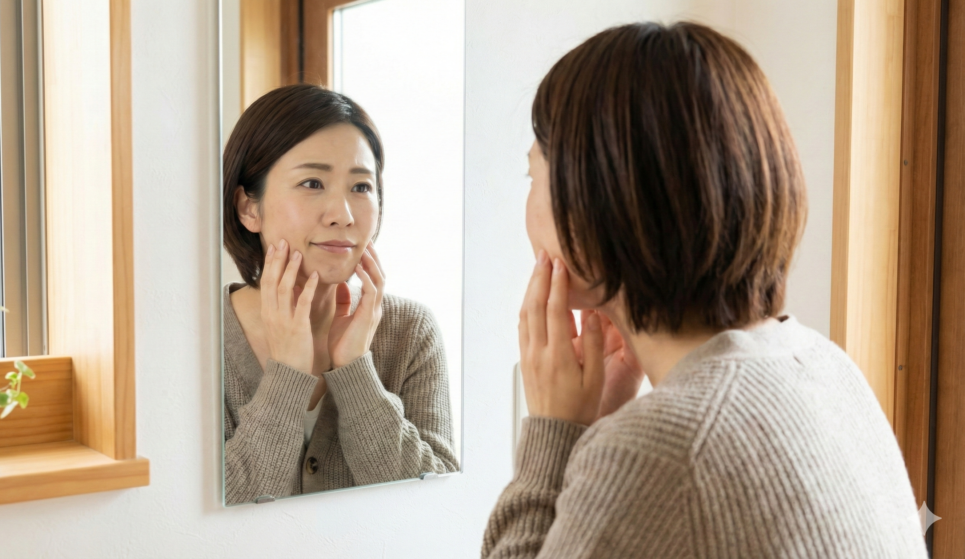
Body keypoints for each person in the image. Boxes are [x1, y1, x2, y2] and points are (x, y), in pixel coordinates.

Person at [482, 22, 927, 558]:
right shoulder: (828, 369)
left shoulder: (659, 450)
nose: (526, 208)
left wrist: (554, 434)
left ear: (596, 201)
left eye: (533, 176)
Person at [222, 84, 458, 505]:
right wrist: (287, 376)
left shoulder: (410, 332)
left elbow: (435, 503)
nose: (343, 216)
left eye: (361, 187)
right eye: (312, 183)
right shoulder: (201, 344)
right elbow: (200, 525)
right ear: (248, 208)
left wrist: (355, 372)